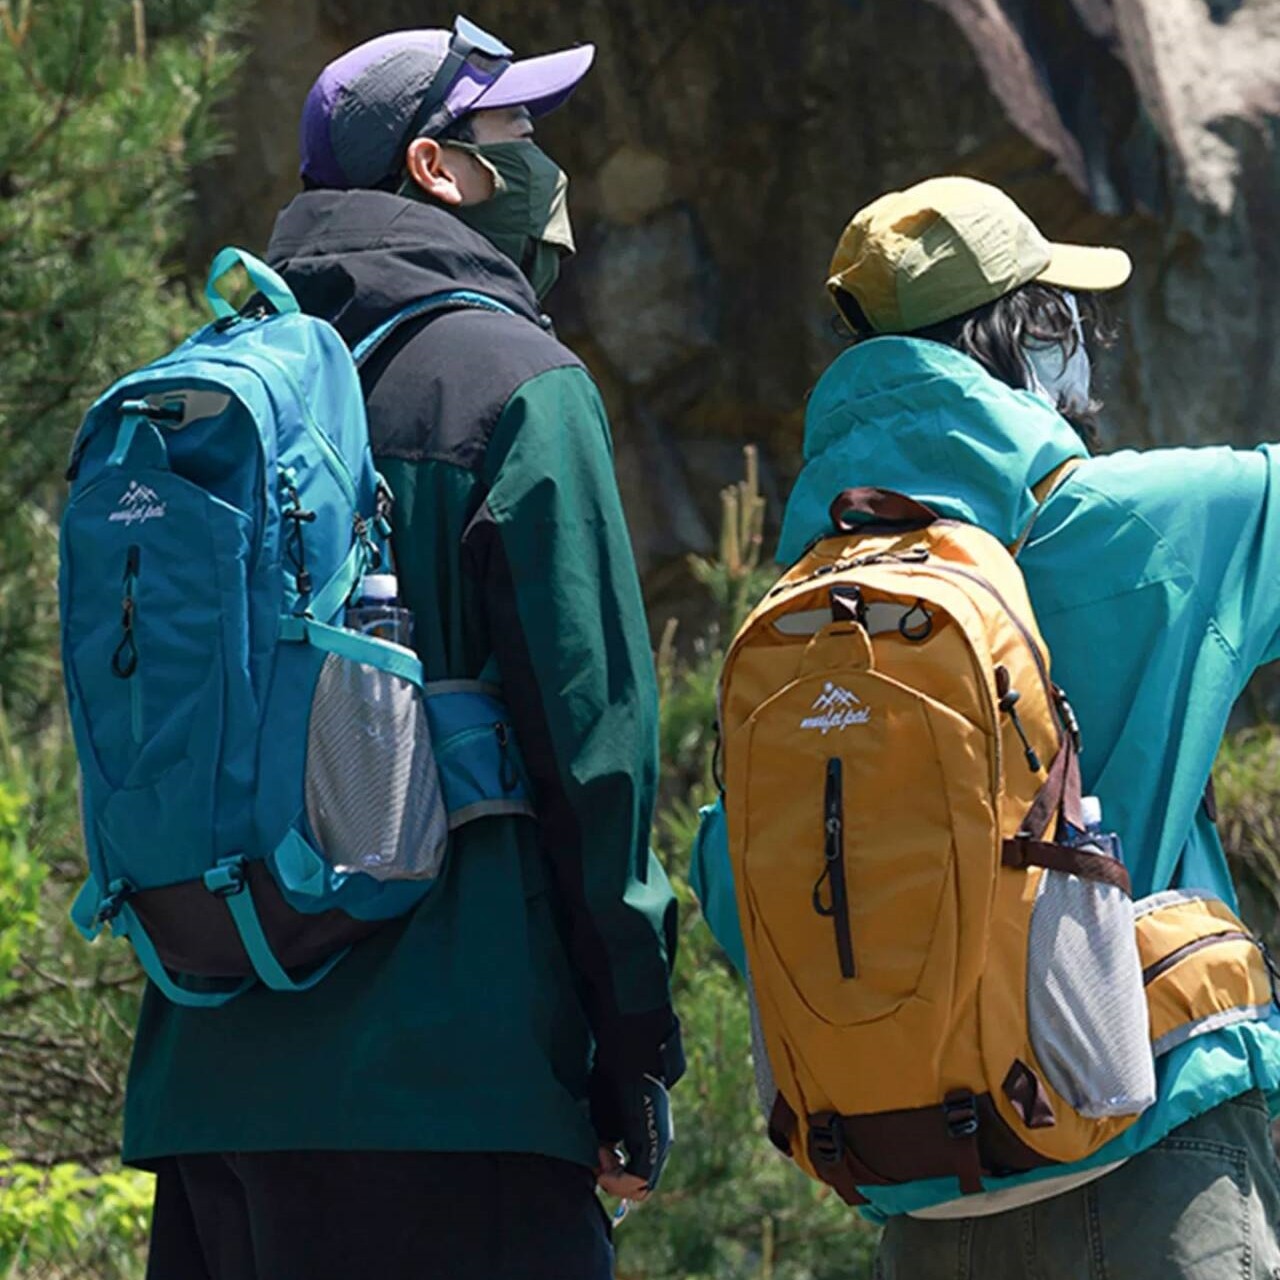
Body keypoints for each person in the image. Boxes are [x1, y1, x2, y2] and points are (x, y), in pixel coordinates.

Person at [132, 18, 683, 1280]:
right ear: (436, 168)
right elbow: (593, 751)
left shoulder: (206, 388)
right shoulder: (512, 379)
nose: (540, 162)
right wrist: (632, 1050)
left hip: (207, 1089)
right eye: (515, 132)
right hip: (446, 1090)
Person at [692, 175, 1280, 1278]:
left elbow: (732, 881)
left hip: (923, 1181)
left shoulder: (808, 607)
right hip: (1146, 1143)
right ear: (1032, 332)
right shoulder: (1156, 518)